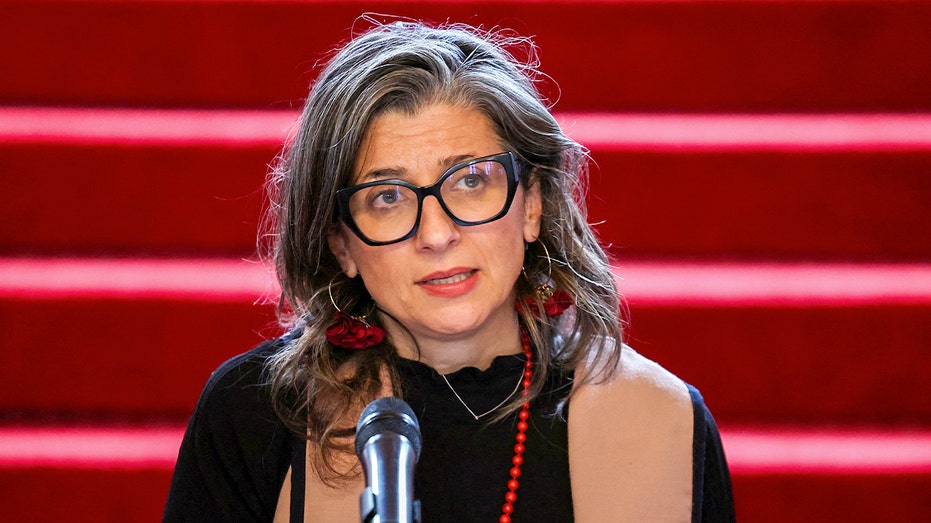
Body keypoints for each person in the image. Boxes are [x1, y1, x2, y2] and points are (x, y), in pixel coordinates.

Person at [164, 19, 734, 522]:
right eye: (387, 197)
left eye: (471, 180)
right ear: (341, 244)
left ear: (532, 204)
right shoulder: (258, 414)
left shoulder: (664, 421)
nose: (436, 235)